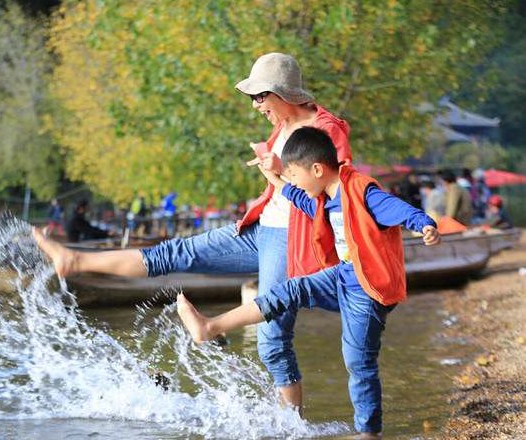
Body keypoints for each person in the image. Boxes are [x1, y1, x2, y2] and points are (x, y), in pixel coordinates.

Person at [33, 52, 352, 411]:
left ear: (283, 93)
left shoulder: (327, 129)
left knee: (272, 337)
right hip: (261, 229)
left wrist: (278, 173)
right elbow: (281, 183)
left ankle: (291, 428)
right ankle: (74, 259)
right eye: (253, 98)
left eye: (260, 97)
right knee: (175, 252)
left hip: (293, 239)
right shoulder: (281, 126)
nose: (255, 106)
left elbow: (335, 192)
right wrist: (271, 173)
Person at [176, 127, 440, 437]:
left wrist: (425, 225)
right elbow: (296, 196)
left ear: (317, 169)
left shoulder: (362, 192)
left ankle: (369, 432)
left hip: (367, 289)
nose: (294, 182)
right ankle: (210, 327)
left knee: (358, 361)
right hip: (341, 275)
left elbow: (398, 210)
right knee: (286, 291)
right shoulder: (324, 194)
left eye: (295, 175)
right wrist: (276, 180)